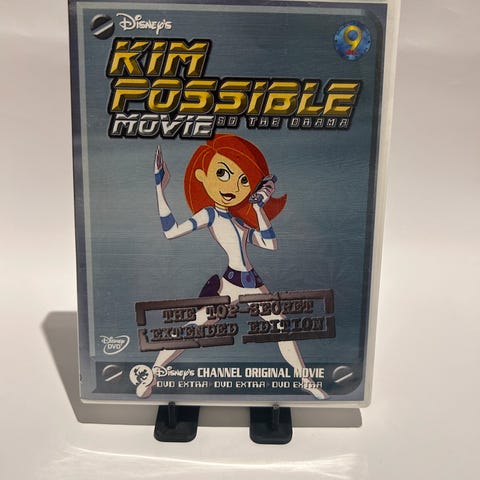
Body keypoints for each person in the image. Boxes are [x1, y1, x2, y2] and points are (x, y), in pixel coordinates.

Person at [138, 134, 327, 400]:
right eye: (222, 174)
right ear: (203, 177)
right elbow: (171, 231)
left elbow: (270, 244)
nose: (233, 186)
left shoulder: (240, 221)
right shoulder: (210, 214)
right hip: (229, 284)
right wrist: (160, 188)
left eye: (243, 180)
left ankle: (307, 381)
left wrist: (259, 208)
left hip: (252, 282)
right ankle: (153, 374)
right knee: (194, 327)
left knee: (282, 327)